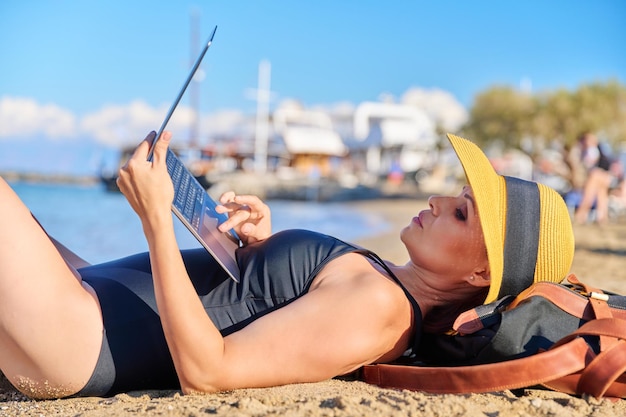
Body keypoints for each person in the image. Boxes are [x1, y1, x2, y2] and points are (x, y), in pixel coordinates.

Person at [0, 133, 575, 399]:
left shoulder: (382, 310)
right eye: (453, 195)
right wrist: (261, 251)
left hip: (84, 336)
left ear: (480, 275)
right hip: (93, 300)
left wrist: (156, 217)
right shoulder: (377, 282)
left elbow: (210, 371)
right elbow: (257, 313)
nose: (436, 203)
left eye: (460, 214)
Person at [566, 131, 624, 224]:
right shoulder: (585, 150)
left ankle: (582, 213)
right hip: (602, 177)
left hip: (601, 176)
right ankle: (602, 217)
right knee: (600, 191)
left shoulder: (592, 151)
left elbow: (590, 166)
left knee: (593, 183)